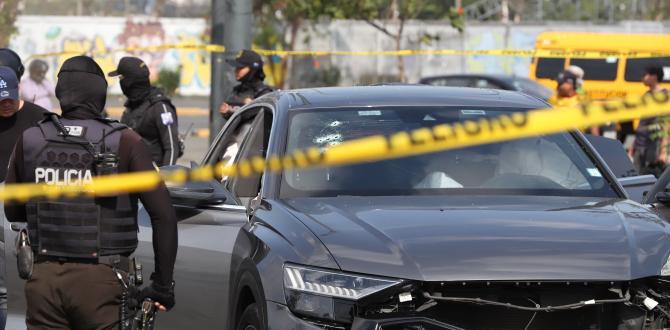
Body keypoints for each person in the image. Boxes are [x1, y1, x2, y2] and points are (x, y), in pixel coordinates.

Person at [4, 56, 178, 329]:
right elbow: (164, 216)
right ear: (100, 94)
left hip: (44, 281)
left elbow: (12, 209)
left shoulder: (31, 138)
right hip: (103, 283)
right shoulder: (125, 140)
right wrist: (163, 286)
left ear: (61, 92)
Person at [109, 56, 180, 167]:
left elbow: (172, 147)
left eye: (120, 78)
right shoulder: (132, 106)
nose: (120, 83)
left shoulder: (160, 107)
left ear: (129, 81)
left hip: (151, 178)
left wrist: (164, 179)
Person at [629, 65, 669, 176]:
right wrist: (633, 146)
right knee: (637, 177)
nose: (642, 78)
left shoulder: (664, 95)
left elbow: (666, 124)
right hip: (640, 146)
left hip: (654, 146)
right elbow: (642, 123)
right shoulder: (646, 95)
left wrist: (663, 151)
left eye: (644, 75)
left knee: (653, 179)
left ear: (654, 76)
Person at [219, 49, 273, 119]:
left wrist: (252, 108)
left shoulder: (264, 93)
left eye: (240, 68)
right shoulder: (237, 90)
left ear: (253, 68)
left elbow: (264, 121)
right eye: (236, 67)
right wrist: (227, 113)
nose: (236, 71)